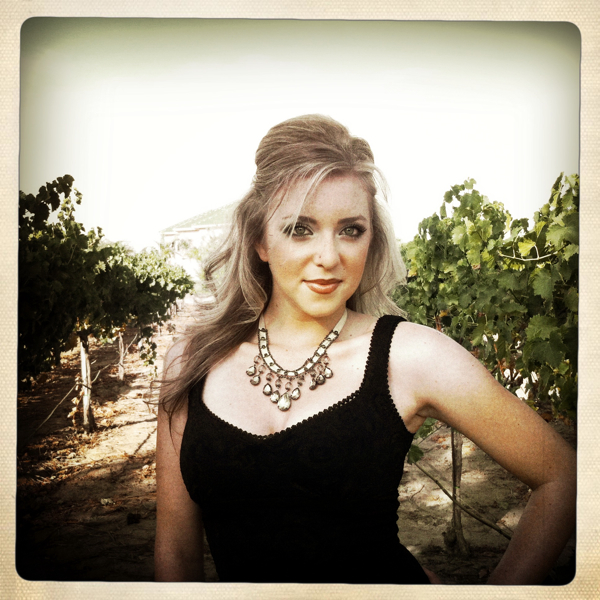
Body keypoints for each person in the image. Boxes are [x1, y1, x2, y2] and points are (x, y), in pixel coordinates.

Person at [154, 114, 576, 584]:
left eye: (350, 230)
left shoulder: (410, 357)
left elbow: (562, 476)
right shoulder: (191, 362)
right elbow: (175, 552)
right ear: (260, 240)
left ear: (371, 239)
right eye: (300, 228)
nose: (329, 257)